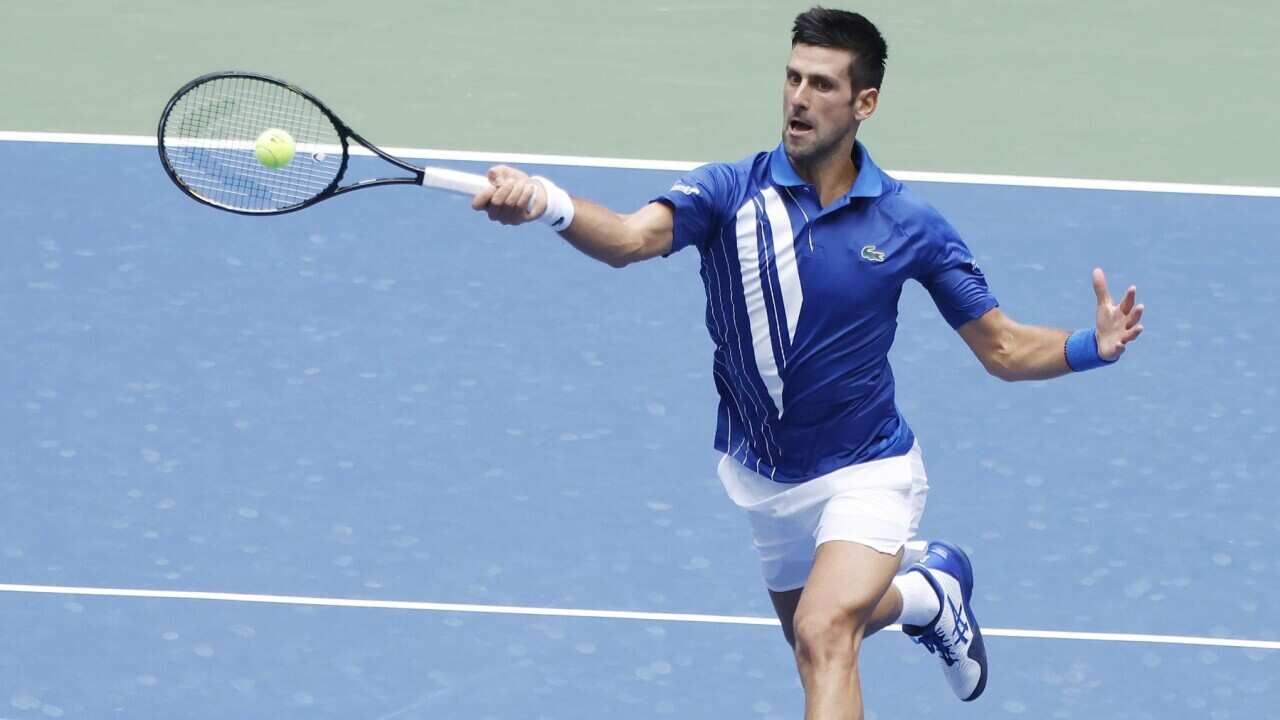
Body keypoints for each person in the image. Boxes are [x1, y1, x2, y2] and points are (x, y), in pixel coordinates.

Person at [471, 7, 1144, 719]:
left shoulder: (907, 224)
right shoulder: (728, 192)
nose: (798, 97)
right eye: (792, 77)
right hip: (766, 475)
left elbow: (1001, 346)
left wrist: (1087, 348)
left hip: (867, 467)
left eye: (822, 84)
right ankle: (929, 595)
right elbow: (629, 239)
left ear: (865, 103)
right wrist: (544, 201)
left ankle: (918, 596)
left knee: (826, 632)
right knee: (815, 632)